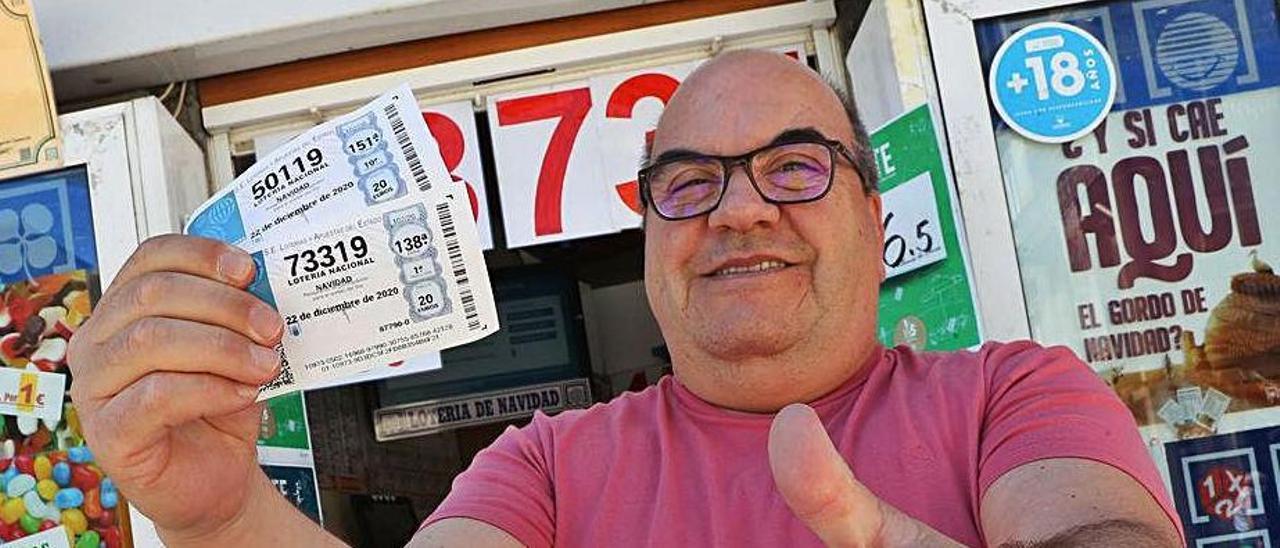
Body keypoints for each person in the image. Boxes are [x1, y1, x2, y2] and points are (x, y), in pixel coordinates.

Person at [67, 50, 1182, 547]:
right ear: (649, 234)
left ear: (872, 209)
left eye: (793, 165)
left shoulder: (1014, 393)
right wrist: (218, 516)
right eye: (687, 181)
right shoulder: (541, 465)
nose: (737, 211)